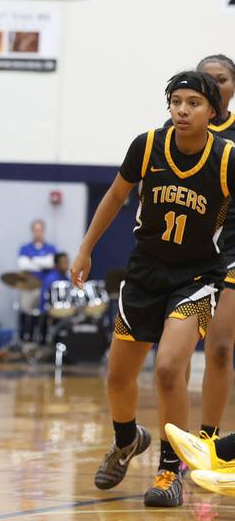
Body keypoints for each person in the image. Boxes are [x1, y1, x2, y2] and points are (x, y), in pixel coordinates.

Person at [70, 71, 234, 507]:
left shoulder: (227, 158)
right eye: (176, 102)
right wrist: (86, 249)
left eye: (193, 103)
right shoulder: (147, 145)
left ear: (213, 112)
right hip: (144, 273)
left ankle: (168, 471)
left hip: (198, 278)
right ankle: (127, 439)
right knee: (119, 375)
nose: (182, 110)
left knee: (167, 369)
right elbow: (114, 196)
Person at [191, 55, 235, 440]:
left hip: (232, 250)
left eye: (221, 79)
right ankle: (173, 447)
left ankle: (208, 439)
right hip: (188, 250)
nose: (214, 85)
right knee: (175, 354)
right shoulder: (177, 131)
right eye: (206, 78)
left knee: (220, 349)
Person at [16, 219, 56, 342]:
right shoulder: (25, 248)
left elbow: (50, 263)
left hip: (44, 287)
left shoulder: (50, 248)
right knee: (27, 313)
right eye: (35, 230)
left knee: (43, 315)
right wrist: (41, 262)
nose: (38, 232)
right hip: (29, 287)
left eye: (40, 230)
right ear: (32, 231)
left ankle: (42, 341)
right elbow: (23, 265)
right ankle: (26, 340)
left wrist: (32, 260)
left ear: (43, 231)